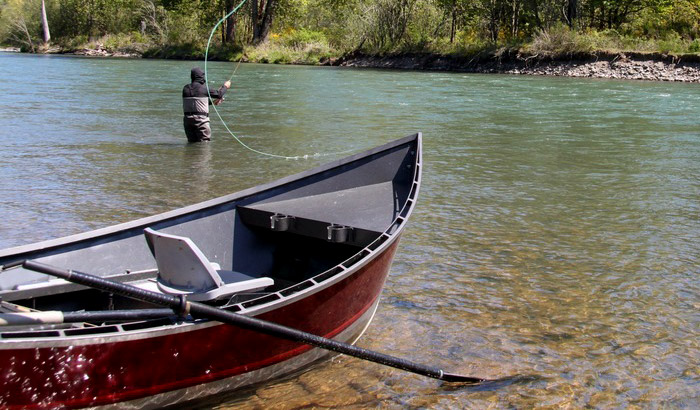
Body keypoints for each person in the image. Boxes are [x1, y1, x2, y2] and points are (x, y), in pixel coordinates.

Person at [182, 67, 231, 142]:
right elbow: (219, 94)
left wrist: (212, 103)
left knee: (192, 142)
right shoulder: (204, 88)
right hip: (201, 120)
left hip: (187, 120)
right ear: (201, 76)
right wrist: (225, 86)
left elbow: (195, 101)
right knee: (204, 144)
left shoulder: (185, 88)